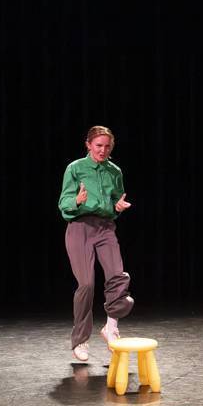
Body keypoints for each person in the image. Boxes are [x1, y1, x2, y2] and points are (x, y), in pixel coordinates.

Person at [58, 126, 134, 361]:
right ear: (88, 144)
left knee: (117, 277)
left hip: (105, 227)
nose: (103, 150)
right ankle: (80, 339)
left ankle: (111, 328)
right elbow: (64, 202)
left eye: (107, 146)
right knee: (87, 285)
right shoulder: (75, 168)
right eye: (98, 145)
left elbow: (116, 200)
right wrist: (76, 201)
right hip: (80, 227)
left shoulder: (114, 171)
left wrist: (118, 207)